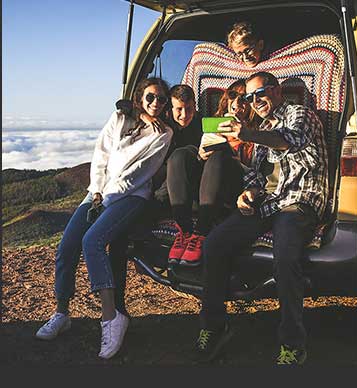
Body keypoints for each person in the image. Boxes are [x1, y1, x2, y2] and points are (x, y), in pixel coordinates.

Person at [195, 71, 328, 365]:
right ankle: (214, 326)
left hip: (298, 200)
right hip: (268, 203)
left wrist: (247, 134)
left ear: (278, 92)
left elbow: (289, 140)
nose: (256, 101)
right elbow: (256, 174)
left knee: (285, 256)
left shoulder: (299, 114)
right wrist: (249, 193)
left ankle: (293, 342)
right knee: (215, 243)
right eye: (250, 97)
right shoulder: (263, 127)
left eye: (261, 93)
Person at [35, 77, 173, 360]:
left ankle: (112, 318)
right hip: (99, 193)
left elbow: (139, 174)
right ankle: (62, 313)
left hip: (132, 196)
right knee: (66, 248)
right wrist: (96, 191)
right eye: (151, 97)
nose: (156, 103)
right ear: (140, 98)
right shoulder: (120, 118)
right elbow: (100, 156)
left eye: (161, 98)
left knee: (93, 241)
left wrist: (106, 198)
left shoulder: (164, 133)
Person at [168, 79, 256, 266]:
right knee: (181, 154)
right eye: (233, 95)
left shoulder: (258, 128)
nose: (238, 102)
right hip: (207, 185)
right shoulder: (214, 124)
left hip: (237, 185)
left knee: (220, 157)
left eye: (244, 98)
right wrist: (201, 155)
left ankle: (201, 232)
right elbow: (201, 159)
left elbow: (258, 169)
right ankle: (184, 231)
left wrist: (239, 144)